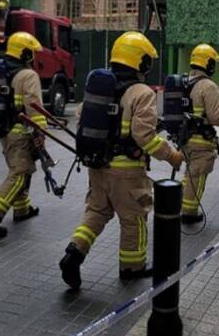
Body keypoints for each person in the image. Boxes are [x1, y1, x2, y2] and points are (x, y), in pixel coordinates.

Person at [59, 32, 183, 289]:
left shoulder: (99, 86)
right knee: (134, 218)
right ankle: (132, 267)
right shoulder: (142, 92)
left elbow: (82, 119)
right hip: (127, 173)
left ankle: (74, 253)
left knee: (96, 212)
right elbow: (144, 136)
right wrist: (171, 155)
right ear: (141, 61)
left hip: (98, 165)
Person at [0, 32, 46, 237]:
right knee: (21, 172)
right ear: (25, 53)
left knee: (20, 168)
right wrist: (41, 132)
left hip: (4, 132)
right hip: (20, 133)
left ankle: (22, 210)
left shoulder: (0, 72)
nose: (33, 56)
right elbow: (34, 105)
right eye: (31, 52)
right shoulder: (28, 75)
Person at [181, 44, 219, 224]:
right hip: (201, 142)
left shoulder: (184, 81)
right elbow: (217, 117)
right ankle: (189, 214)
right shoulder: (208, 86)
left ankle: (181, 206)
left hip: (185, 139)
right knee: (197, 177)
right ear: (208, 64)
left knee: (189, 175)